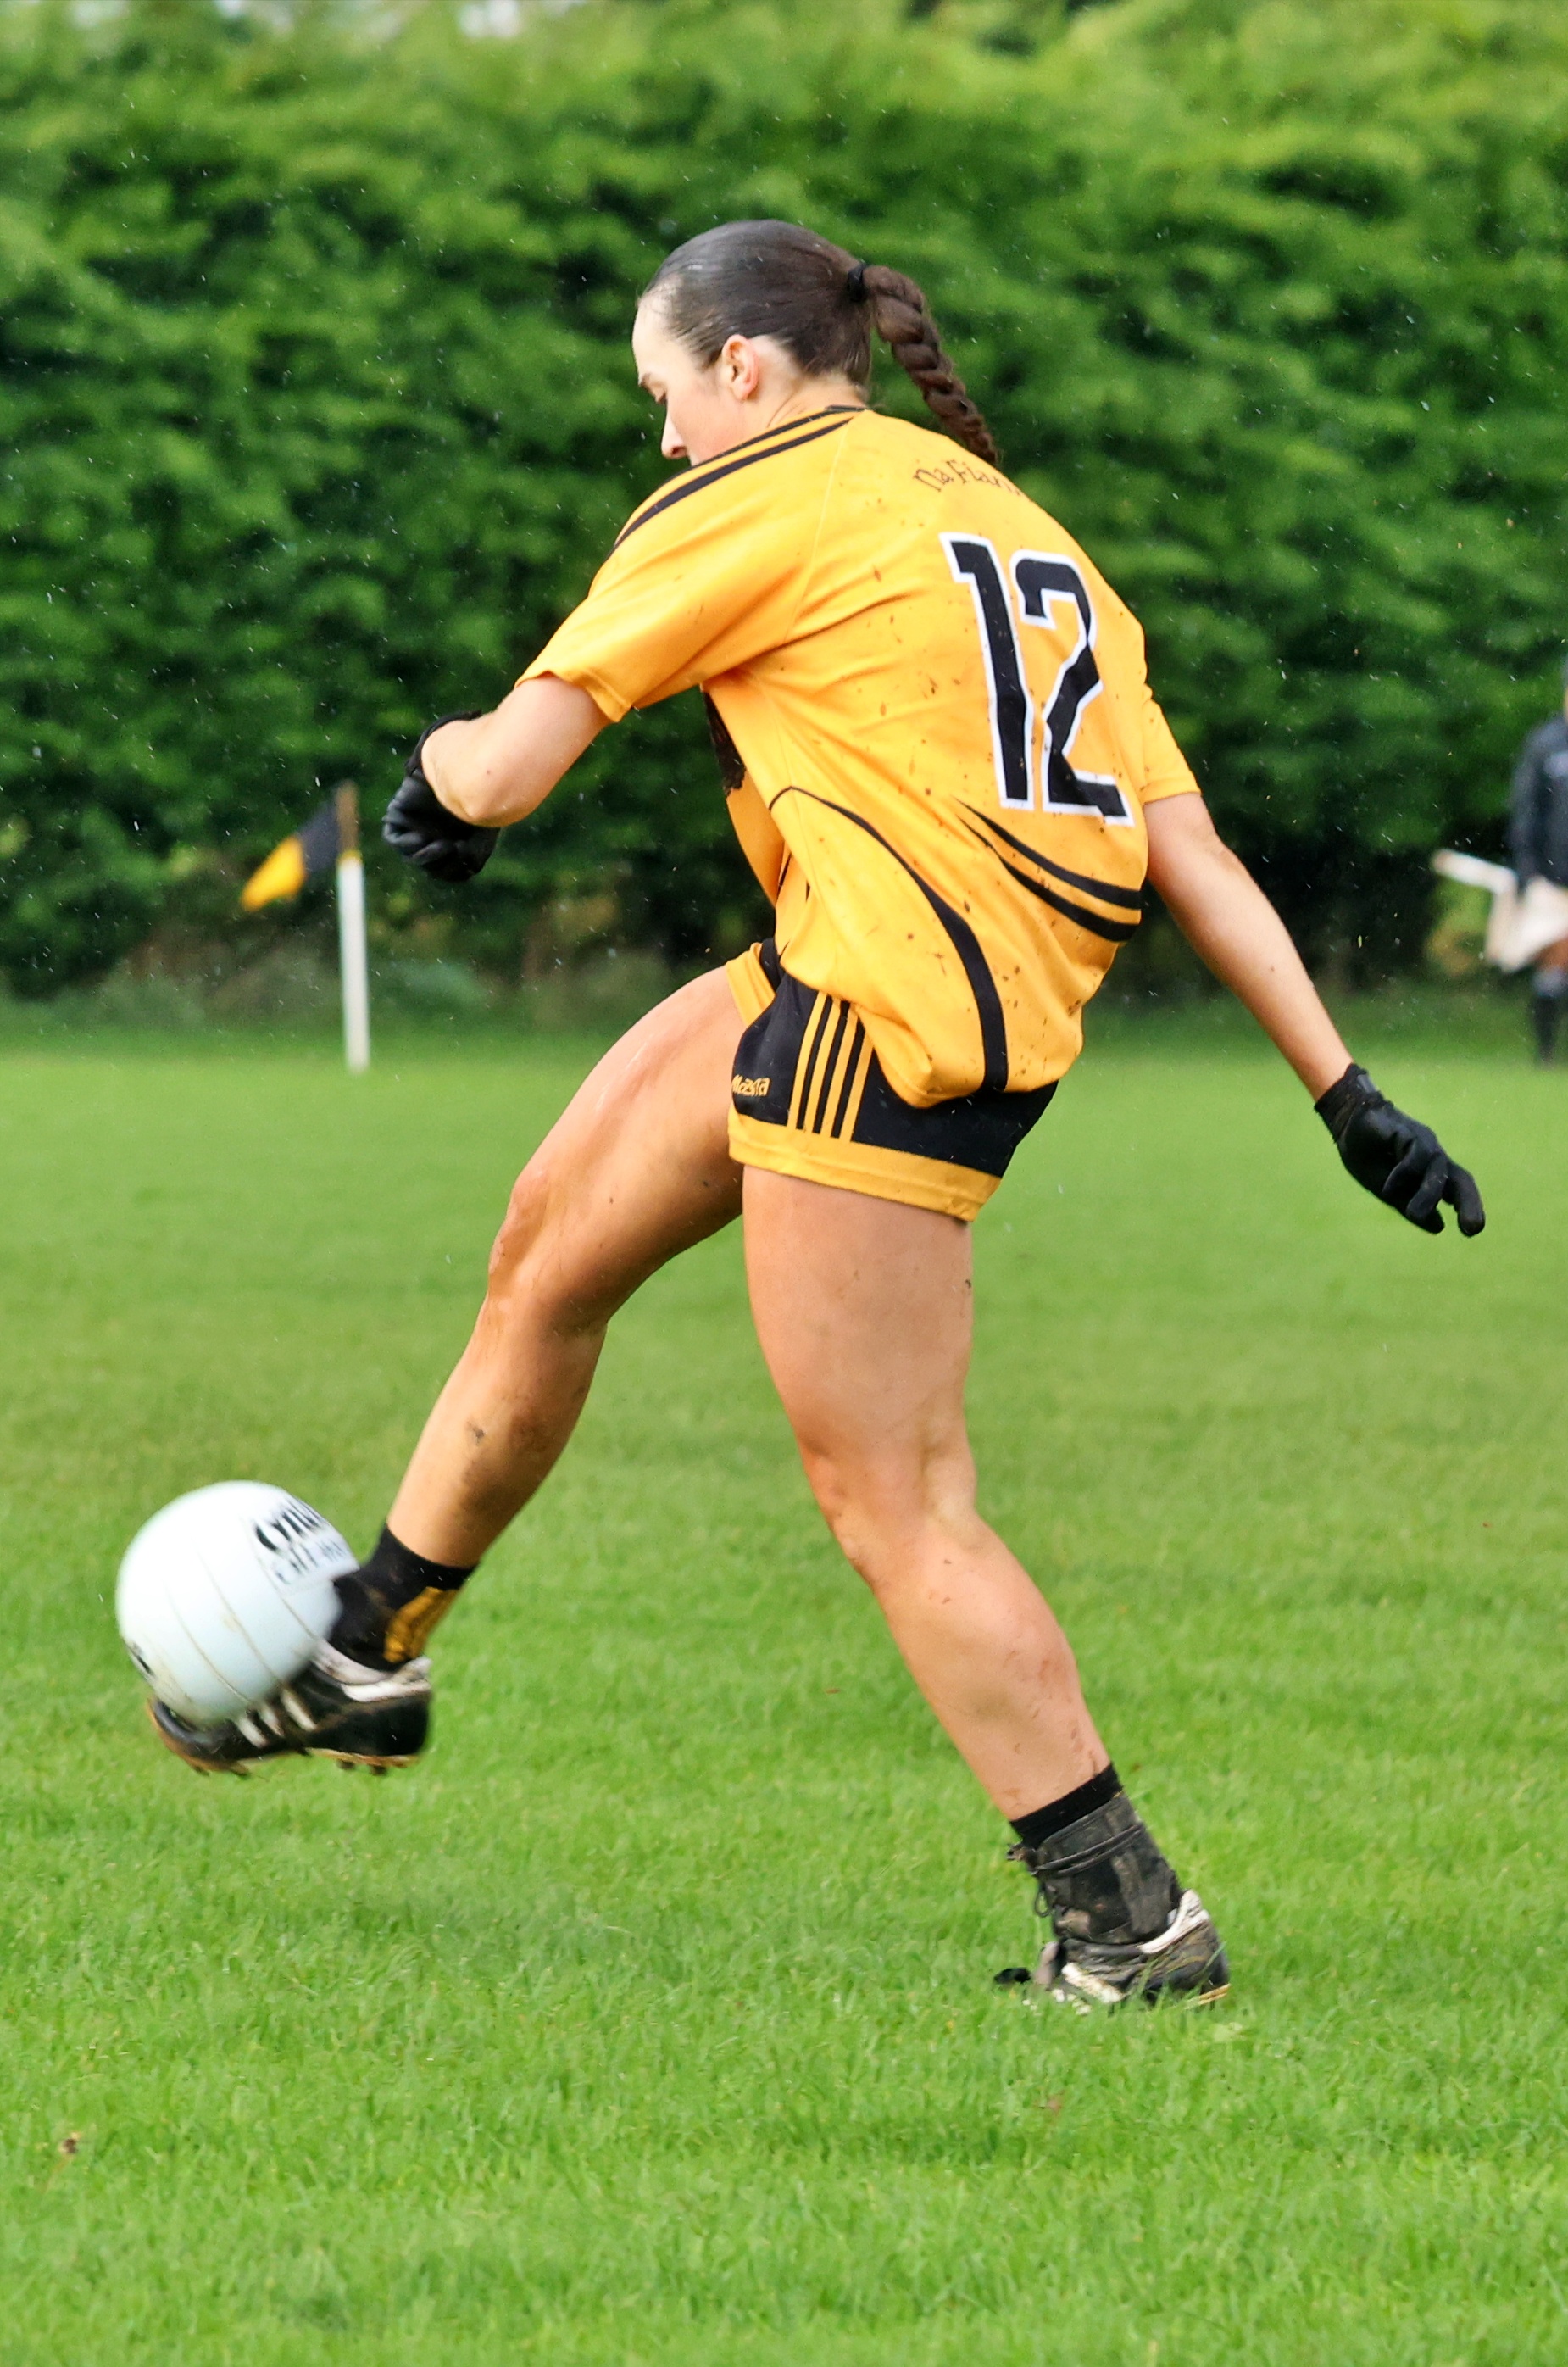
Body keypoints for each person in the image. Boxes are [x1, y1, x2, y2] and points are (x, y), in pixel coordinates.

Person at [151, 223, 1485, 2010]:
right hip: (864, 972)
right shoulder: (1017, 526)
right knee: (548, 1255)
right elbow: (1187, 847)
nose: (662, 435)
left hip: (886, 1021)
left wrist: (435, 780)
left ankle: (1129, 1923)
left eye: (663, 392)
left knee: (897, 1502)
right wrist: (1345, 1087)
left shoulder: (752, 492)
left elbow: (507, 765)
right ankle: (371, 1651)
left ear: (744, 368)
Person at [1509, 652, 1568, 1061]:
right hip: (1553, 882)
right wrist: (1528, 873)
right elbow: (1526, 812)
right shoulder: (1545, 744)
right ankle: (1546, 1053)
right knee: (1552, 975)